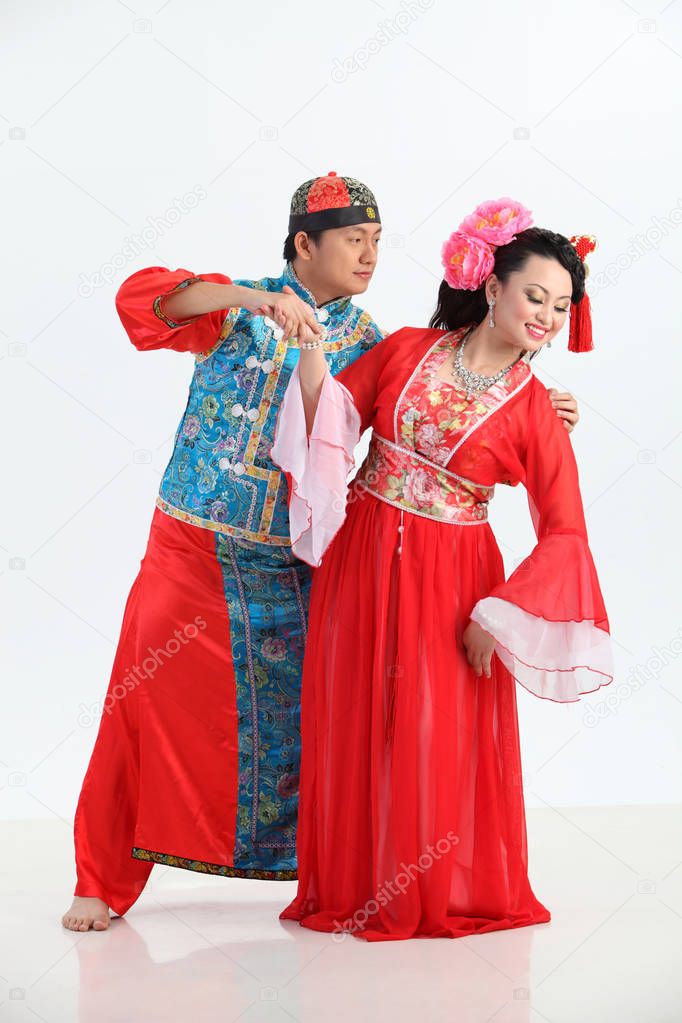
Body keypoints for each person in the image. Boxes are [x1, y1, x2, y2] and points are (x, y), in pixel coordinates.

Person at [62, 178, 581, 934]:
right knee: (140, 706)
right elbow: (145, 301)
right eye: (352, 240)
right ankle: (100, 879)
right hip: (196, 542)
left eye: (377, 240)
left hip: (308, 568)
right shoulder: (233, 314)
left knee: (332, 729)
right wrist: (247, 298)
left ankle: (340, 874)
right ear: (304, 243)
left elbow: (435, 400)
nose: (370, 254)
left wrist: (536, 405)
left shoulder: (373, 340)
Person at [270, 198, 613, 942]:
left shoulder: (537, 412)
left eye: (561, 306)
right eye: (535, 295)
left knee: (429, 733)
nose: (547, 315)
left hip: (454, 583)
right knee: (355, 713)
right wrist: (310, 352)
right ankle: (351, 886)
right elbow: (333, 418)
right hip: (360, 557)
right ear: (492, 287)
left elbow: (566, 533)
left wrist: (501, 615)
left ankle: (420, 891)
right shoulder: (407, 350)